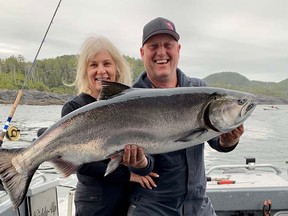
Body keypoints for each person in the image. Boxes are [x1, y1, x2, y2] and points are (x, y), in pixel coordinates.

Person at [126, 17, 245, 216]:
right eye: (153, 46)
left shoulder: (201, 90)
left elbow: (215, 140)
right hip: (152, 207)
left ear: (178, 50)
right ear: (142, 53)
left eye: (168, 45)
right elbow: (142, 165)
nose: (161, 52)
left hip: (199, 205)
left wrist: (228, 141)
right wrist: (137, 164)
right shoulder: (129, 101)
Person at [61, 35, 157, 216]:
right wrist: (130, 176)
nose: (101, 71)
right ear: (84, 70)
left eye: (107, 63)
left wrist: (143, 165)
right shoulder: (74, 108)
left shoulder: (127, 105)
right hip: (94, 201)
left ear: (117, 68)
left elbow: (145, 144)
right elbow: (83, 163)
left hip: (126, 198)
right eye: (93, 65)